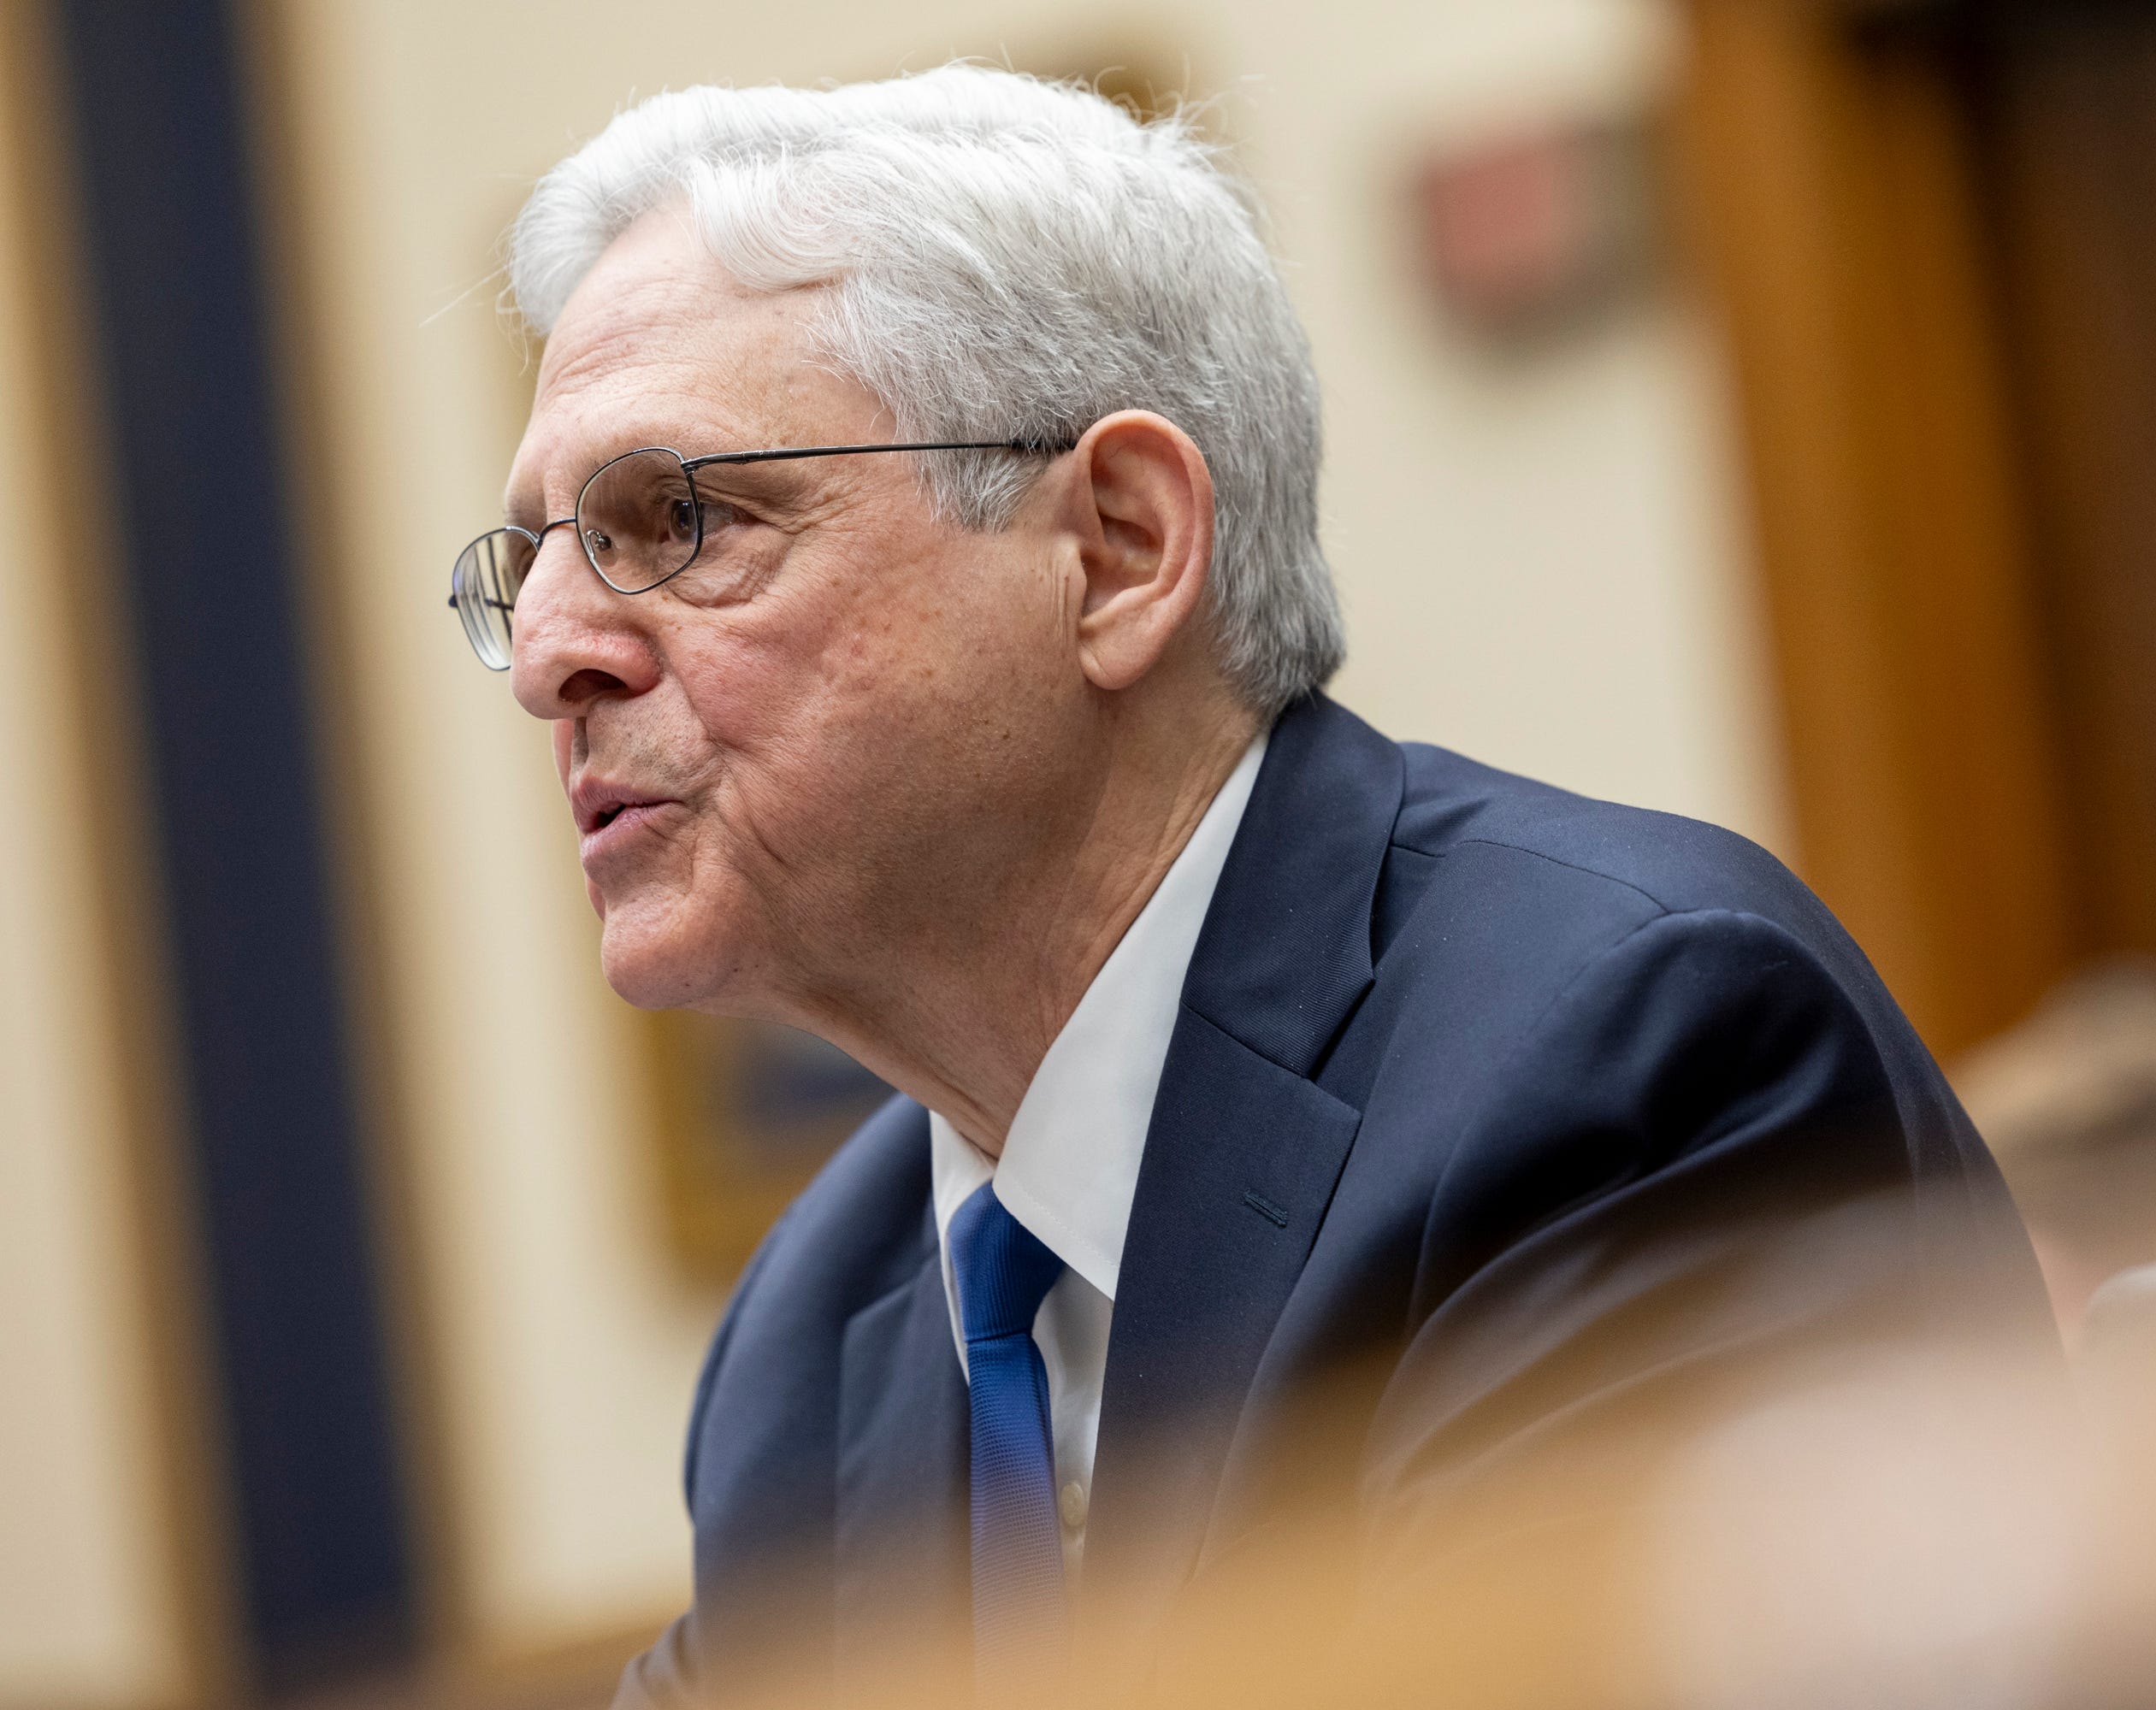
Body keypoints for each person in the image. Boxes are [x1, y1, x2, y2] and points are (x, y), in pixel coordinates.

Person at [458, 67, 2053, 1705]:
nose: (552, 660)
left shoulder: (1632, 1067)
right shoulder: (815, 1332)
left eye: (680, 518)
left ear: (1122, 548)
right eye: (534, 565)